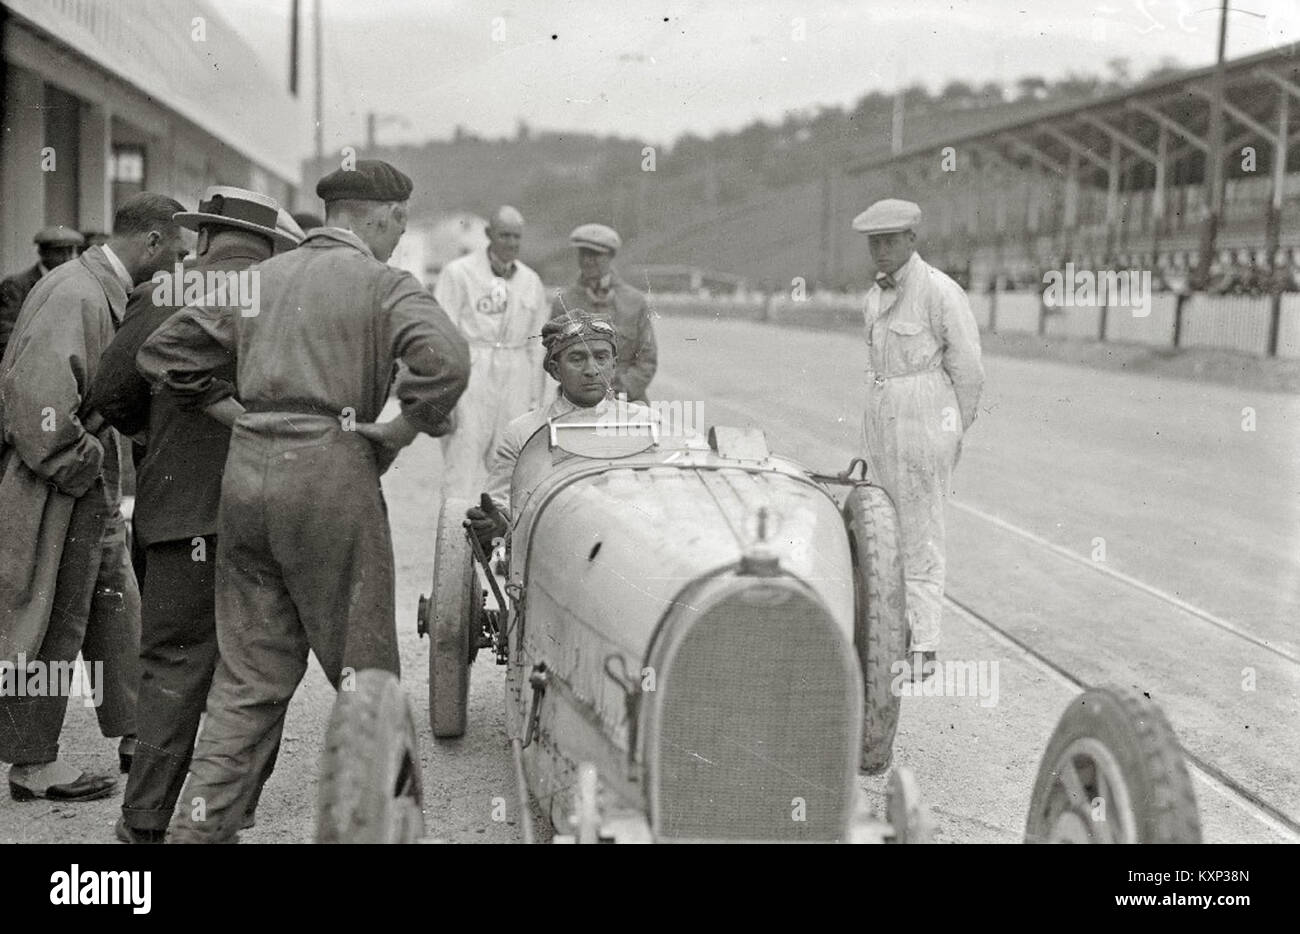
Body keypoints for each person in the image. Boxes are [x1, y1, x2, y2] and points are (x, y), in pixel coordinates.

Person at [136, 159, 470, 843]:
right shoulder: (383, 285)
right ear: (386, 217)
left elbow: (164, 354)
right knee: (366, 679)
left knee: (246, 679)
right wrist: (403, 428)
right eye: (400, 224)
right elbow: (448, 359)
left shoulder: (258, 280)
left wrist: (246, 419)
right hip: (330, 475)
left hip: (248, 481)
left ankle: (198, 833)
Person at [87, 188, 303, 843]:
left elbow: (108, 394)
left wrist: (157, 441)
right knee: (258, 673)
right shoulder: (289, 301)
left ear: (205, 236)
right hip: (269, 513)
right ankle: (225, 818)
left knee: (174, 671)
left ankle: (147, 822)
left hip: (178, 514)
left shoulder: (162, 292)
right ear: (266, 246)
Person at [0, 192, 188, 802]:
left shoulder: (99, 289)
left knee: (114, 602)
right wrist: (80, 464)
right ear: (153, 243)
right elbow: (38, 409)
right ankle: (32, 764)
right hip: (56, 478)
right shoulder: (76, 294)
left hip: (85, 474)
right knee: (53, 614)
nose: (179, 268)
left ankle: (139, 733)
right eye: (176, 254)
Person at [852, 199, 984, 683]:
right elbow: (877, 369)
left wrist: (948, 432)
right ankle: (890, 633)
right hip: (885, 414)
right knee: (883, 523)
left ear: (912, 240)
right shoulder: (874, 297)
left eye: (890, 241)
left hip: (925, 415)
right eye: (874, 243)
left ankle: (924, 646)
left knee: (921, 532)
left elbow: (969, 372)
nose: (881, 251)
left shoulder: (940, 292)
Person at [467, 311, 653, 548]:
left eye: (601, 357)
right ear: (555, 370)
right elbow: (501, 502)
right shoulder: (524, 432)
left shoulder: (645, 423)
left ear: (614, 365)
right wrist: (496, 524)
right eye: (577, 359)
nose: (591, 370)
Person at [435, 205, 549, 498]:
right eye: (504, 235)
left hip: (515, 376)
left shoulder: (530, 281)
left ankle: (501, 539)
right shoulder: (458, 273)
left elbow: (536, 343)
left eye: (517, 237)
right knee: (462, 462)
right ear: (488, 234)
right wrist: (447, 395)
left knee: (511, 465)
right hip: (472, 372)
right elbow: (442, 335)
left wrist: (535, 399)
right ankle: (454, 537)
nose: (511, 243)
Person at [549, 223, 657, 403]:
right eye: (583, 254)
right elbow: (553, 359)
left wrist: (622, 390)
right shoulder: (564, 302)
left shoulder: (635, 301)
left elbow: (647, 359)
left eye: (595, 254)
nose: (587, 260)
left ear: (611, 256)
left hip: (627, 400)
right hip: (577, 400)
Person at [0, 226, 86, 360]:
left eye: (71, 251)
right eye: (59, 252)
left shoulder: (76, 284)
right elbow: (6, 333)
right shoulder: (16, 285)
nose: (67, 258)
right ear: (42, 253)